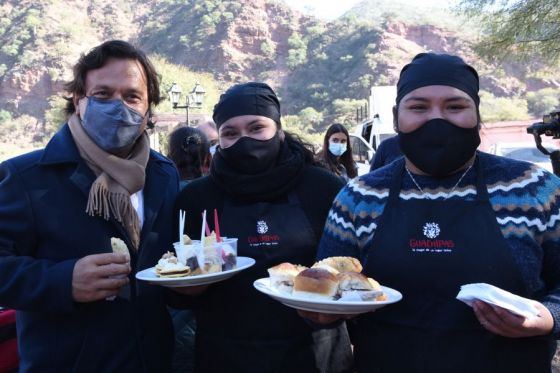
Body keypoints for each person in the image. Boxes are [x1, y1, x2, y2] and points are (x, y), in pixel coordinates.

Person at [310, 53, 560, 372]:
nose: (436, 120)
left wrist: (549, 317)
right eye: (418, 107)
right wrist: (322, 310)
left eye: (455, 107)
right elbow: (328, 285)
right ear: (396, 116)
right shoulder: (359, 197)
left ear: (476, 114)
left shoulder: (535, 189)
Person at [0, 40, 178, 372]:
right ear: (79, 101)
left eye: (132, 97)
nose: (117, 106)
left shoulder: (163, 174)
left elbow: (165, 264)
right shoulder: (25, 178)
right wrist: (62, 281)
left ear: (148, 110)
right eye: (102, 95)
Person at [174, 82, 353, 373]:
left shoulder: (324, 188)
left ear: (279, 130)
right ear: (218, 139)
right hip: (226, 355)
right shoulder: (196, 199)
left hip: (316, 352)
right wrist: (188, 287)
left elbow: (352, 271)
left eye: (257, 128)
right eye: (230, 133)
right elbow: (173, 281)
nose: (244, 140)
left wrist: (338, 311)